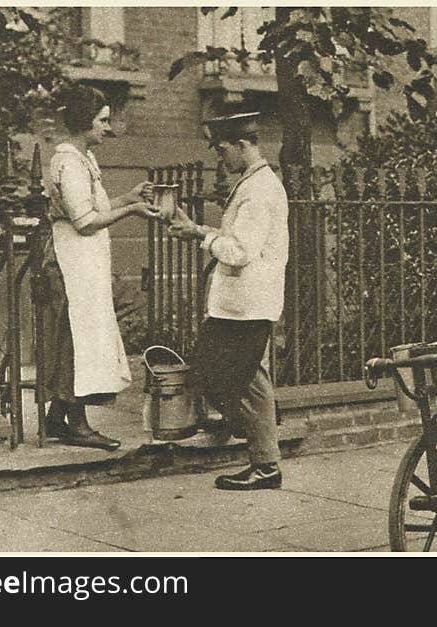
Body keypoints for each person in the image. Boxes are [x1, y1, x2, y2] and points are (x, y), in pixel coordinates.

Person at [167, 112, 289, 490]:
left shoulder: (258, 190)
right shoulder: (253, 183)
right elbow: (237, 238)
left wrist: (200, 238)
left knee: (248, 381)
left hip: (248, 303)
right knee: (224, 371)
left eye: (223, 151)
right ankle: (258, 434)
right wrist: (200, 229)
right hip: (241, 302)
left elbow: (240, 251)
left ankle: (265, 461)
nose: (221, 159)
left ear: (242, 145)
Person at [42, 84, 161, 451]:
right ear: (83, 123)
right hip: (73, 258)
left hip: (87, 259)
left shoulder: (83, 158)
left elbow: (94, 209)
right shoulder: (69, 161)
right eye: (102, 121)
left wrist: (127, 196)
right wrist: (132, 210)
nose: (108, 128)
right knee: (81, 336)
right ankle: (76, 423)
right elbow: (84, 221)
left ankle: (57, 418)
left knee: (87, 334)